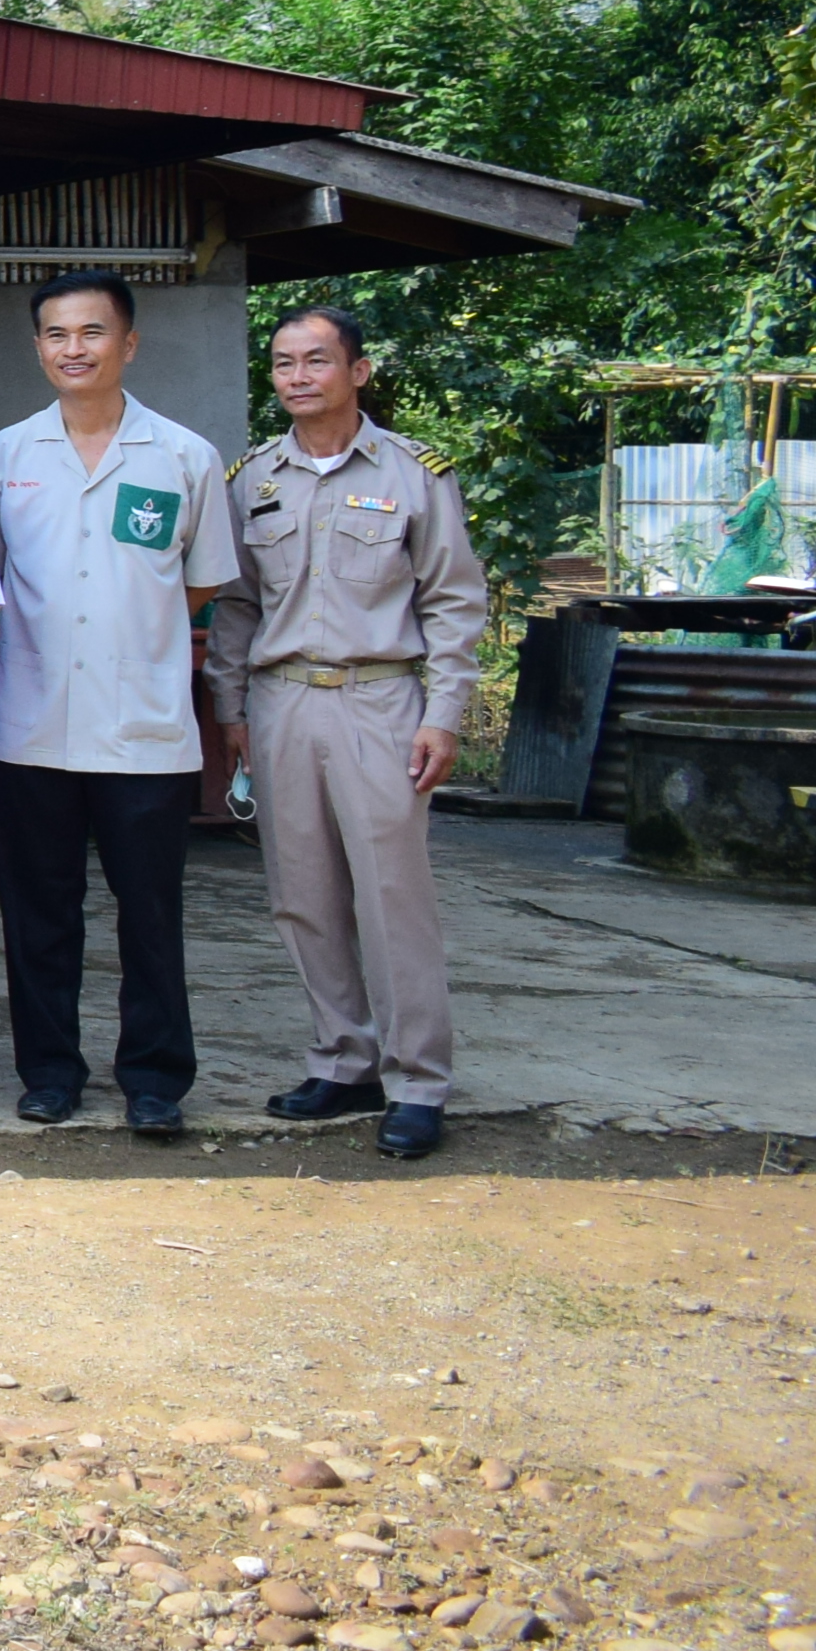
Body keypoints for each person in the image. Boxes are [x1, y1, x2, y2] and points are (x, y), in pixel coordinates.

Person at [205, 307, 490, 1162]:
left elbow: (453, 601)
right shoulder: (254, 479)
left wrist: (444, 714)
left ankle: (418, 1081)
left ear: (358, 372)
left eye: (317, 360)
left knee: (392, 897)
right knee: (303, 894)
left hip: (381, 701)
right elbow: (238, 607)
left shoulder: (414, 474)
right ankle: (343, 1059)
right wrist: (231, 709)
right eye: (283, 362)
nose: (297, 377)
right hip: (281, 702)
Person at [0, 271, 238, 1136]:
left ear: (129, 343)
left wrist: (133, 636)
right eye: (56, 334)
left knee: (150, 915)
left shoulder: (185, 457)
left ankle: (154, 1079)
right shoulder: (5, 456)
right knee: (38, 914)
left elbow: (200, 585)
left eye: (92, 332)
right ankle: (49, 1072)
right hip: (33, 726)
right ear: (38, 348)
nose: (73, 349)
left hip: (144, 732)